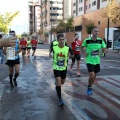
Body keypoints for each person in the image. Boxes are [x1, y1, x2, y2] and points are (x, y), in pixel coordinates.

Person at [81, 26, 106, 95]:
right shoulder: (87, 40)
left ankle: (90, 85)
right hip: (89, 61)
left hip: (97, 61)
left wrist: (104, 50)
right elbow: (82, 47)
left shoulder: (100, 41)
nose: (97, 32)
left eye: (98, 31)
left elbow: (104, 48)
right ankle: (89, 87)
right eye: (95, 31)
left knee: (94, 76)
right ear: (92, 32)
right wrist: (84, 53)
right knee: (91, 75)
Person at [52, 34, 73, 106]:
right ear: (57, 41)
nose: (61, 41)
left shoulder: (67, 48)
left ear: (64, 40)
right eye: (60, 40)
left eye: (63, 39)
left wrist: (70, 55)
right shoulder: (54, 47)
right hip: (56, 67)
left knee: (62, 82)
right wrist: (50, 54)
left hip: (64, 68)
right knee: (58, 83)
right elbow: (50, 52)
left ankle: (57, 83)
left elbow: (73, 55)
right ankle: (60, 99)